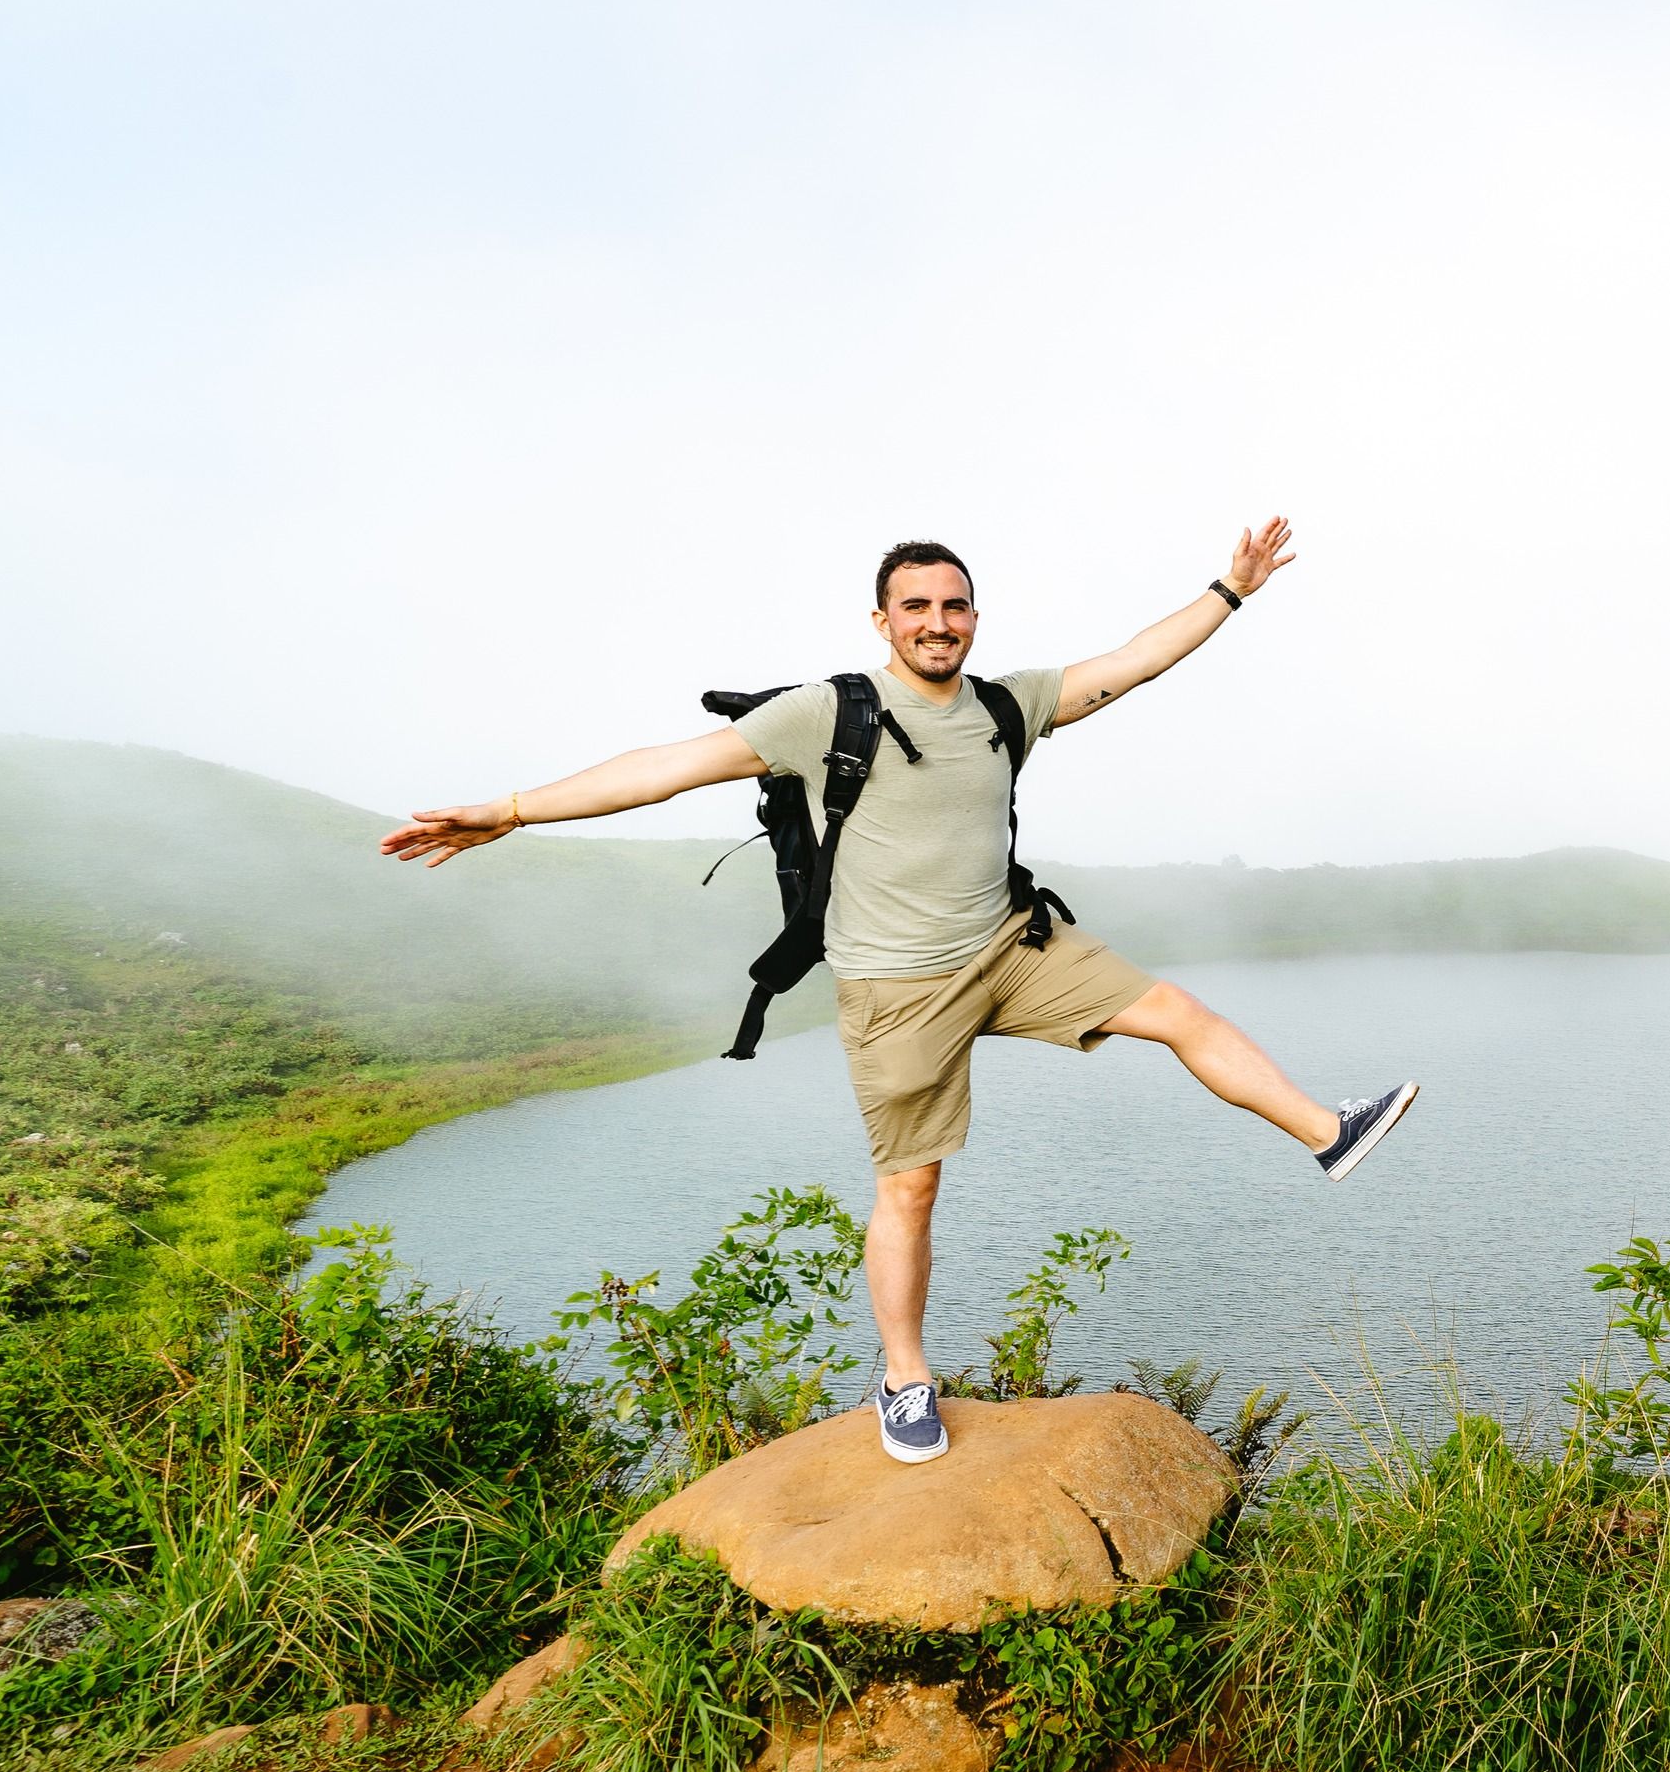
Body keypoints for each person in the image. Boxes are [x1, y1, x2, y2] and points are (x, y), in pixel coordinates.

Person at [379, 520, 1417, 1464]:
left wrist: (1226, 592)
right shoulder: (826, 711)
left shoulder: (1008, 703)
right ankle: (905, 1377)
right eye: (915, 607)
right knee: (909, 1188)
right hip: (896, 986)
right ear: (882, 621)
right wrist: (511, 810)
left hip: (1010, 943)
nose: (937, 622)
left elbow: (1131, 664)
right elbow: (662, 768)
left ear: (974, 618)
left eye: (953, 605)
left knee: (1176, 1013)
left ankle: (1325, 1131)